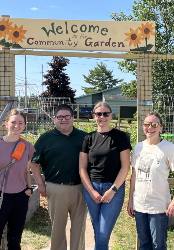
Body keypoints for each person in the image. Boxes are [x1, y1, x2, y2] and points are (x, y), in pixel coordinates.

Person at [31, 104, 87, 250]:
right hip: (56, 188)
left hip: (81, 189)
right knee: (57, 229)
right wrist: (41, 184)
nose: (64, 120)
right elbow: (34, 163)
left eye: (67, 116)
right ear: (54, 119)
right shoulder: (46, 138)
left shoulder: (84, 136)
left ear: (72, 118)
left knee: (79, 228)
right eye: (60, 117)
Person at [127, 112, 174, 250]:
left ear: (161, 128)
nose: (150, 127)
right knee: (144, 244)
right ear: (143, 127)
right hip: (140, 204)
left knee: (158, 245)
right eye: (147, 124)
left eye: (154, 124)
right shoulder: (138, 147)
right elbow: (134, 175)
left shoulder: (169, 148)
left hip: (158, 206)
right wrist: (130, 201)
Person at [79, 101, 131, 250]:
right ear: (94, 116)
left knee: (102, 233)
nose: (102, 117)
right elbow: (82, 168)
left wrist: (112, 190)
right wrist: (91, 191)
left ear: (111, 115)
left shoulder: (120, 137)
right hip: (92, 188)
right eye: (98, 114)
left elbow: (125, 166)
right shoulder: (88, 138)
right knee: (98, 231)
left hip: (114, 189)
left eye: (105, 114)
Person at [0, 109, 36, 250]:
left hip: (20, 197)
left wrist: (29, 189)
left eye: (20, 123)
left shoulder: (28, 146)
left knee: (15, 241)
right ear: (6, 124)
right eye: (13, 122)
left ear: (24, 125)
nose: (16, 126)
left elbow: (26, 170)